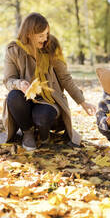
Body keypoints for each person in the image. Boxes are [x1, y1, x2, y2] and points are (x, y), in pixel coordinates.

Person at [2, 12, 96, 151]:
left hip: (49, 99)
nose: (45, 38)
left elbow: (65, 78)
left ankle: (44, 135)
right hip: (25, 98)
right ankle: (28, 132)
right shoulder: (14, 50)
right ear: (29, 34)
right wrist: (19, 84)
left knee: (43, 115)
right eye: (41, 35)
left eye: (46, 34)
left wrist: (82, 102)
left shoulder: (51, 46)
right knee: (13, 97)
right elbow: (9, 80)